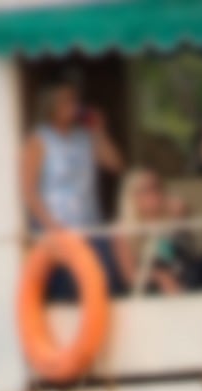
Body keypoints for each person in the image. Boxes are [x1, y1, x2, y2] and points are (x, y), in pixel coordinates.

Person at [20, 82, 126, 297]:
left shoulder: (85, 136)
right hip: (57, 232)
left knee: (103, 287)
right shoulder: (38, 140)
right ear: (51, 106)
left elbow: (116, 164)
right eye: (66, 101)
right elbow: (29, 190)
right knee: (68, 292)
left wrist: (99, 131)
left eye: (75, 100)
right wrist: (52, 227)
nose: (73, 106)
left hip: (91, 228)